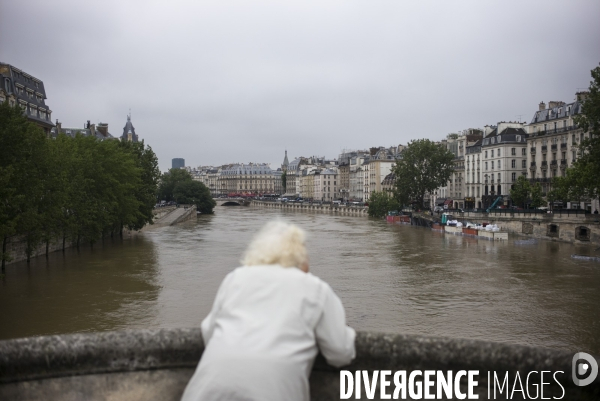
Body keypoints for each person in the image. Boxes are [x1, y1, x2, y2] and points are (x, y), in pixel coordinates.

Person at [181, 221, 356, 401]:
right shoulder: (316, 288)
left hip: (206, 391)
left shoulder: (235, 278)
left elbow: (209, 332)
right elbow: (340, 353)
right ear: (300, 256)